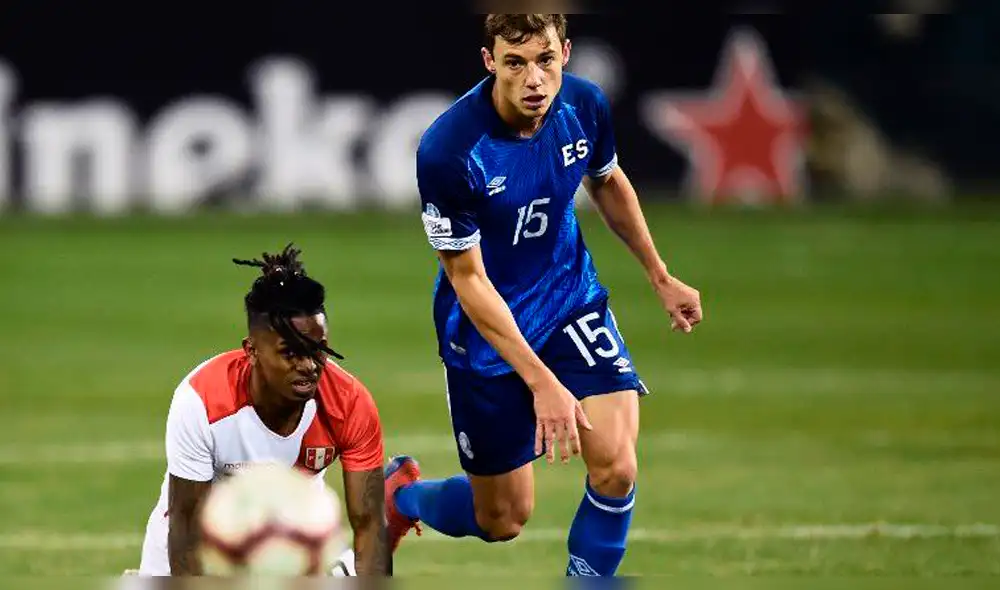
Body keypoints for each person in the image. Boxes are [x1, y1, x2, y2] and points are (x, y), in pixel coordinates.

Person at [383, 13, 704, 577]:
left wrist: (659, 273)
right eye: (515, 63)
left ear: (566, 53)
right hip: (485, 335)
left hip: (568, 300)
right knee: (503, 518)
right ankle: (400, 497)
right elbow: (468, 280)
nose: (534, 79)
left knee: (617, 466)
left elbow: (605, 179)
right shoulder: (449, 150)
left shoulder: (584, 105)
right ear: (490, 63)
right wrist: (541, 382)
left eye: (545, 60)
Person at [135, 244, 390, 576]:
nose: (309, 365)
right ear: (252, 351)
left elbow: (369, 526)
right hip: (211, 534)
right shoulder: (201, 402)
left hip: (296, 532)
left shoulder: (350, 403)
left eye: (318, 350)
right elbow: (186, 527)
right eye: (291, 353)